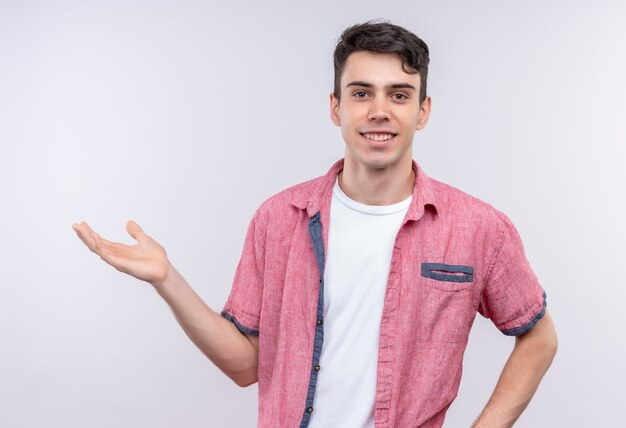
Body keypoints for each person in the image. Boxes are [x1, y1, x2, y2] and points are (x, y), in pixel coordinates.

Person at [73, 20, 557, 428]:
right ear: (336, 107)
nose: (379, 111)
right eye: (361, 93)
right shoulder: (278, 219)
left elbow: (539, 337)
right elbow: (245, 366)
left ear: (423, 111)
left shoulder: (479, 228)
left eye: (400, 94)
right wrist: (166, 279)